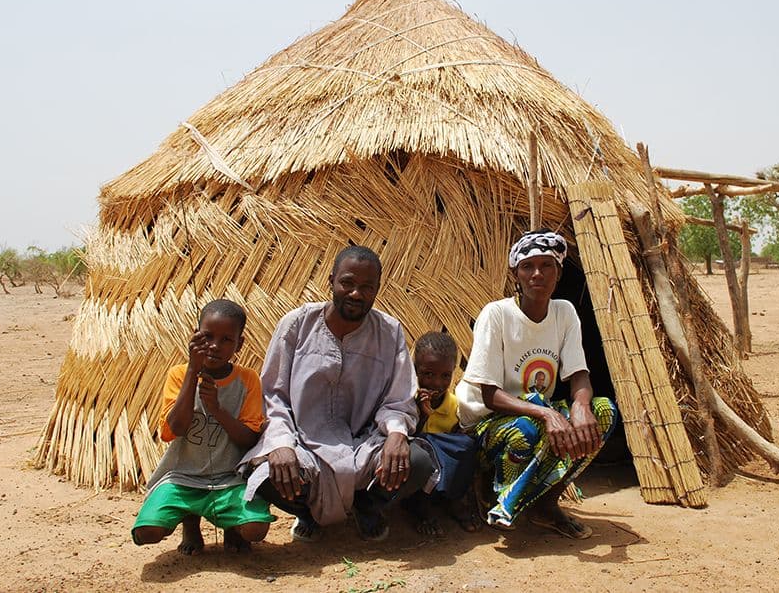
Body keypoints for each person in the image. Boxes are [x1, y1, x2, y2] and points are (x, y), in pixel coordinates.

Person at [240, 245, 436, 542]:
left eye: (367, 287)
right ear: (330, 280)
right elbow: (272, 396)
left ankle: (367, 505)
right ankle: (308, 512)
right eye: (348, 283)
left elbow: (397, 400)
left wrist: (396, 434)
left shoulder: (389, 331)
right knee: (268, 473)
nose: (356, 294)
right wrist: (280, 443)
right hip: (305, 446)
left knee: (417, 461)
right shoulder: (296, 325)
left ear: (377, 290)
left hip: (363, 446)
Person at [456, 230, 619, 539]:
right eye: (528, 266)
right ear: (516, 273)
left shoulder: (564, 313)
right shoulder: (497, 314)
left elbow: (579, 375)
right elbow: (489, 395)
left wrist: (581, 406)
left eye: (546, 266)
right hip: (486, 421)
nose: (537, 274)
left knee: (603, 413)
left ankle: (546, 503)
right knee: (526, 430)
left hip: (534, 412)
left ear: (558, 273)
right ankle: (492, 491)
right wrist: (548, 414)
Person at [131, 299, 274, 554]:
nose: (215, 346)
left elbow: (249, 439)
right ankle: (190, 521)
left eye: (226, 340)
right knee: (147, 533)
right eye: (207, 337)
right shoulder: (178, 374)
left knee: (254, 529)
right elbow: (174, 428)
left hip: (230, 479)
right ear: (195, 336)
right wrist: (192, 373)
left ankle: (231, 526)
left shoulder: (248, 379)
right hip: (183, 478)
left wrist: (217, 410)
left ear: (239, 344)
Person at [403, 332, 481, 535]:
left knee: (466, 445)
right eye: (428, 374)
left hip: (441, 479)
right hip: (415, 481)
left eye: (445, 376)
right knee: (420, 447)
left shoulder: (455, 406)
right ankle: (421, 510)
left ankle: (455, 501)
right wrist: (421, 415)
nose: (437, 383)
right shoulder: (405, 402)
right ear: (415, 370)